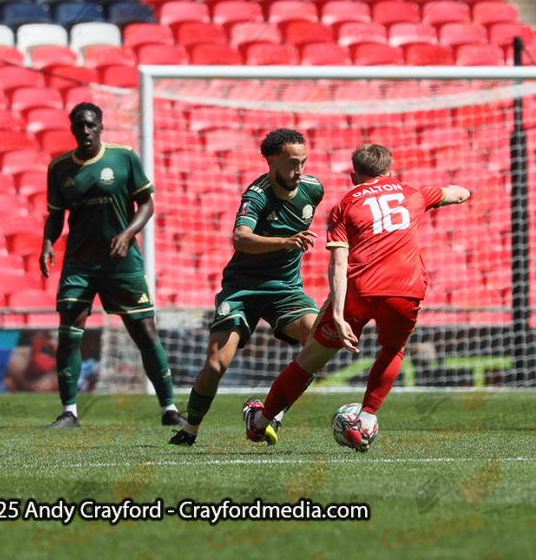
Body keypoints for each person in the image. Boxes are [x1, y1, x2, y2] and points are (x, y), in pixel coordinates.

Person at [243, 143, 470, 449]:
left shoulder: (345, 205)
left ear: (353, 175)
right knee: (393, 350)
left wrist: (337, 313)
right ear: (389, 170)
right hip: (406, 289)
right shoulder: (413, 193)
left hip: (360, 290)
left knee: (308, 361)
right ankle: (365, 418)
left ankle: (260, 422)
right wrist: (464, 193)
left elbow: (338, 262)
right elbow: (457, 193)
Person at [168, 129, 324, 448]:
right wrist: (284, 242)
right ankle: (190, 428)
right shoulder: (257, 194)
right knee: (216, 363)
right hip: (243, 288)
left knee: (319, 341)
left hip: (285, 290)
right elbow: (240, 238)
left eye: (304, 162)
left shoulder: (313, 189)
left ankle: (269, 416)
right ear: (271, 161)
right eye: (293, 163)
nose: (300, 170)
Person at [41, 102, 183, 428]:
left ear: (101, 126)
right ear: (73, 129)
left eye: (91, 125)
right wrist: (48, 242)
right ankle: (69, 412)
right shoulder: (59, 168)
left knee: (145, 333)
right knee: (69, 332)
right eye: (79, 126)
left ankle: (169, 409)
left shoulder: (123, 157)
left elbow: (146, 203)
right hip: (79, 263)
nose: (86, 131)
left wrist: (128, 233)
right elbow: (55, 215)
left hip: (122, 261)